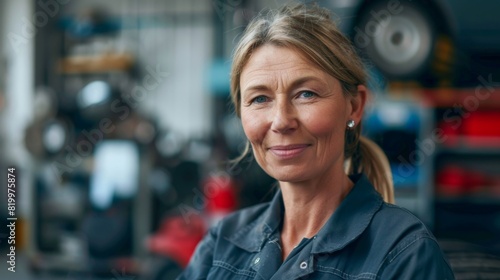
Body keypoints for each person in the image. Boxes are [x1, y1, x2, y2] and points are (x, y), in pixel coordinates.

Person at [178, 3, 455, 279]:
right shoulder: (221, 244)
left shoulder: (404, 254)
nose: (281, 121)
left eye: (306, 94)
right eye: (260, 99)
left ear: (355, 106)